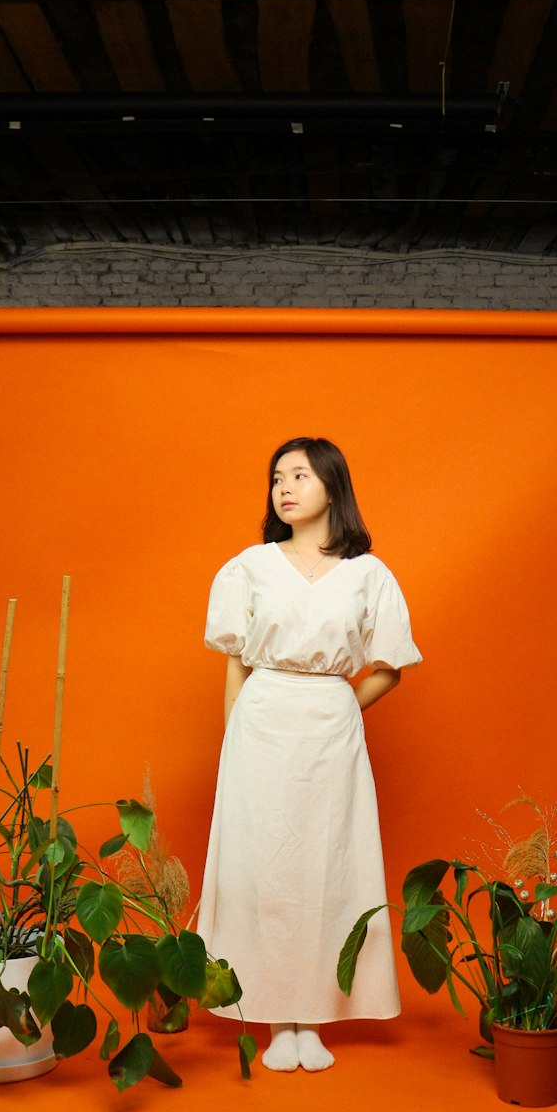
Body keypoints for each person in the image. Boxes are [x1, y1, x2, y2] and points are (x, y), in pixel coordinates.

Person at [197, 437, 421, 1073]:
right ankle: (273, 1016)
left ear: (333, 485)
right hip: (260, 725)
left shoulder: (368, 573)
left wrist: (341, 704)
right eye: (276, 478)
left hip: (331, 728)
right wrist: (233, 740)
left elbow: (391, 667)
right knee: (262, 864)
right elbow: (235, 665)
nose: (284, 488)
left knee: (328, 863)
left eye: (298, 475)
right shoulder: (250, 566)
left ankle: (314, 1017)